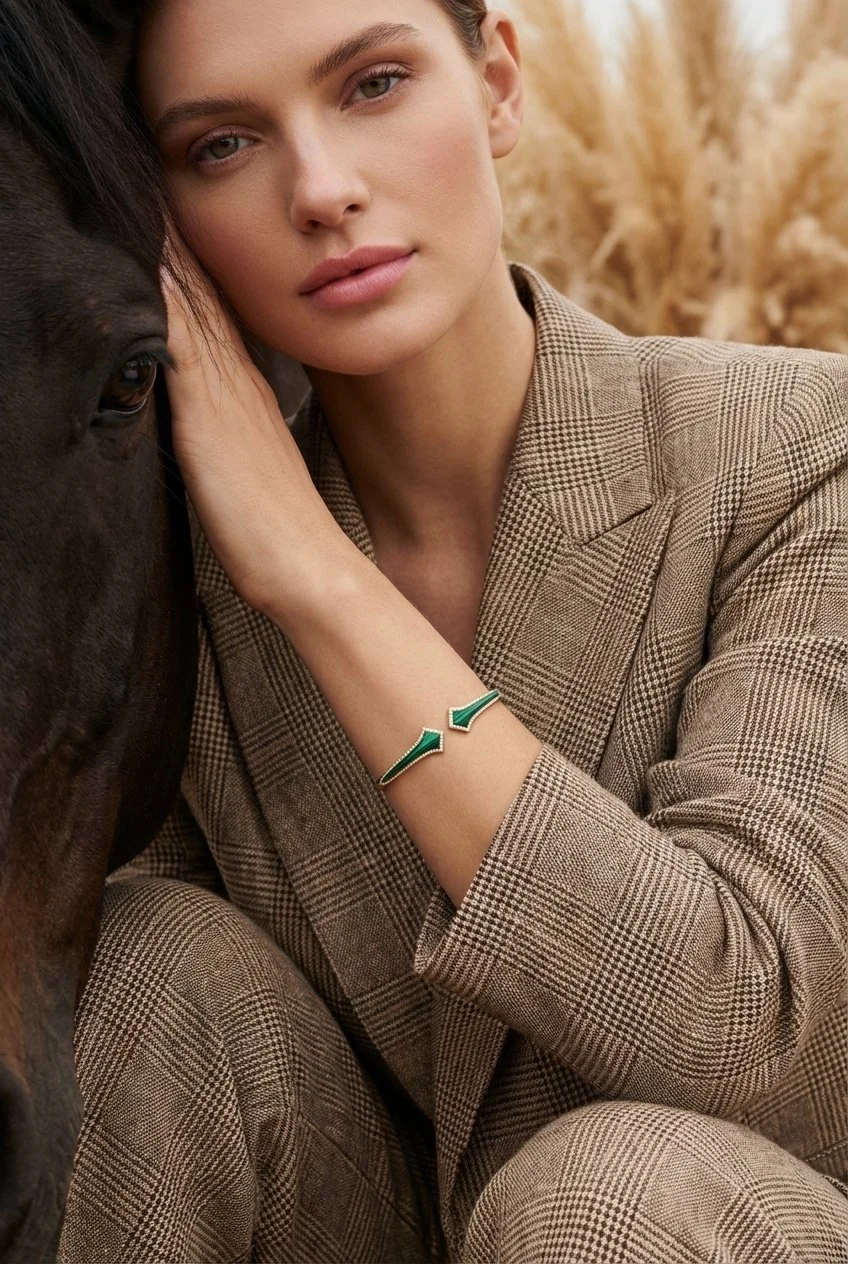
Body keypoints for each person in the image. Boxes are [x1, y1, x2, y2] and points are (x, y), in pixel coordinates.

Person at [58, 0, 848, 1260]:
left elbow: (754, 1026)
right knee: (144, 965)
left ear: (494, 83)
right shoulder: (172, 579)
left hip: (710, 1222)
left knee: (603, 1196)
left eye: (371, 84)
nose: (320, 189)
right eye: (221, 146)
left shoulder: (796, 450)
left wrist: (317, 578)